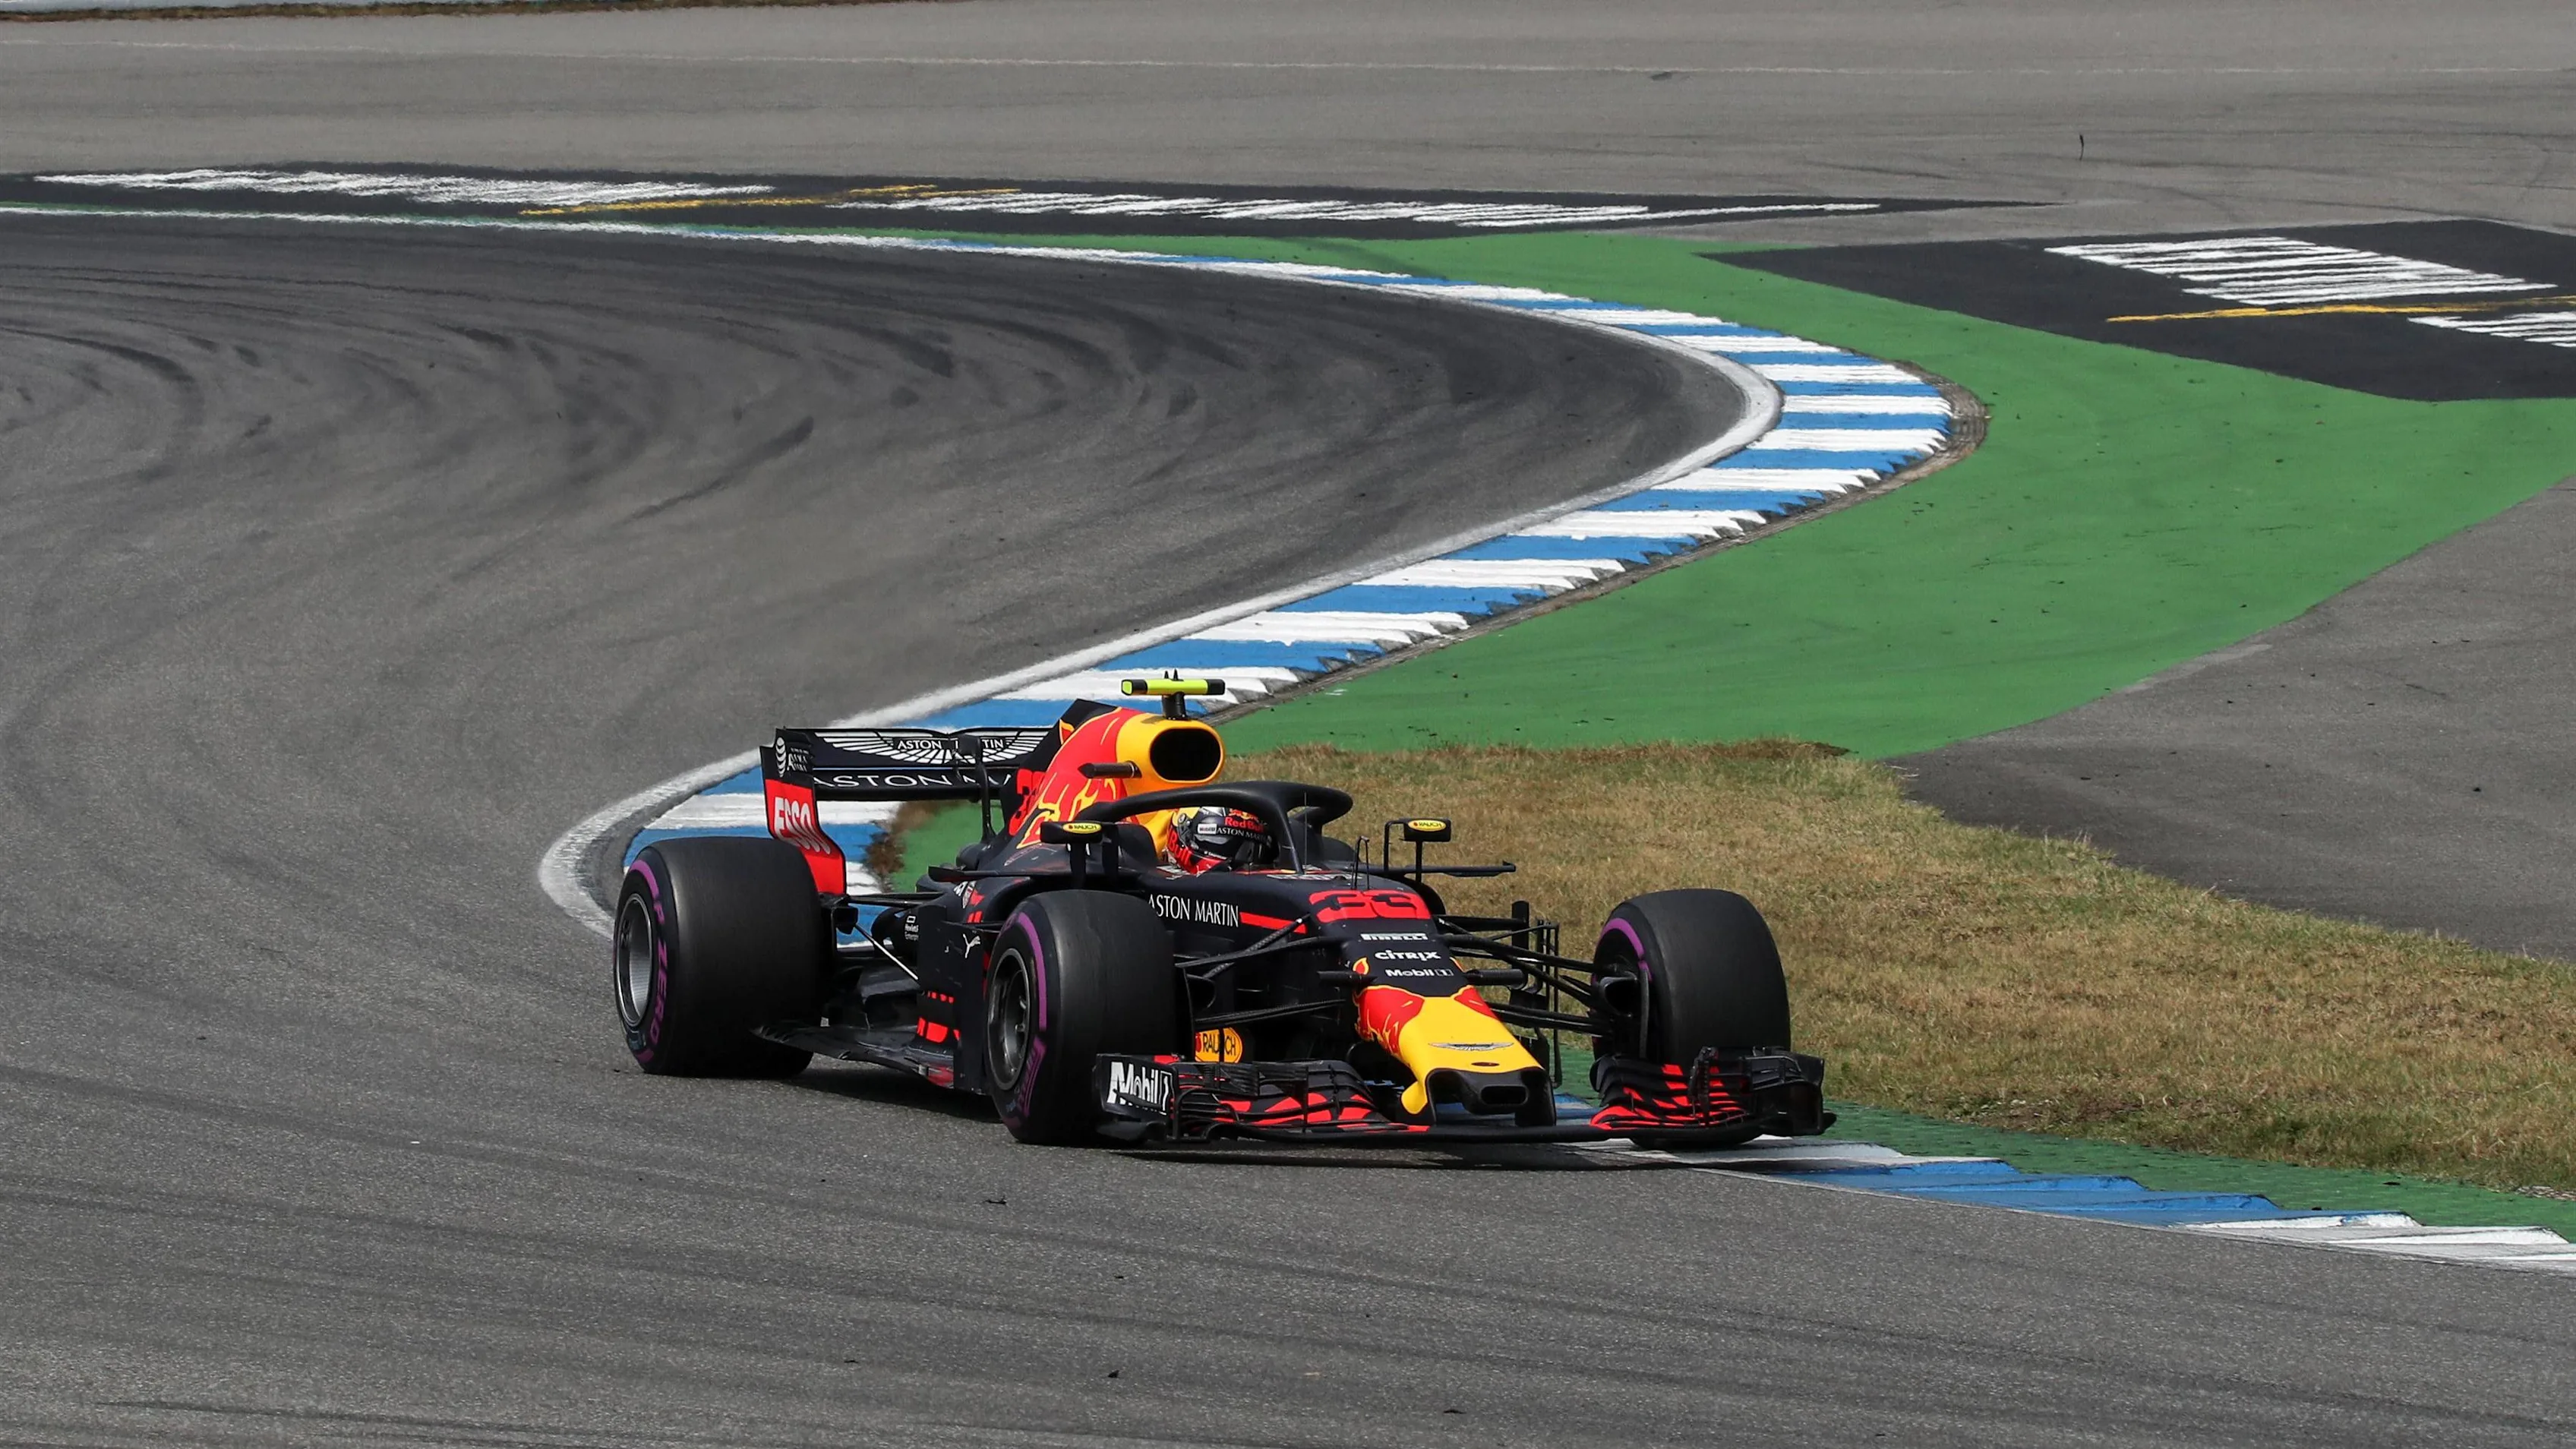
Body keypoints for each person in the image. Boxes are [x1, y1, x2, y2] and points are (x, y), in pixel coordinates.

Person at [1168, 805, 1276, 873]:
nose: (1240, 863)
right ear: (1184, 834)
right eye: (1226, 846)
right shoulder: (1156, 881)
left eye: (1247, 849)